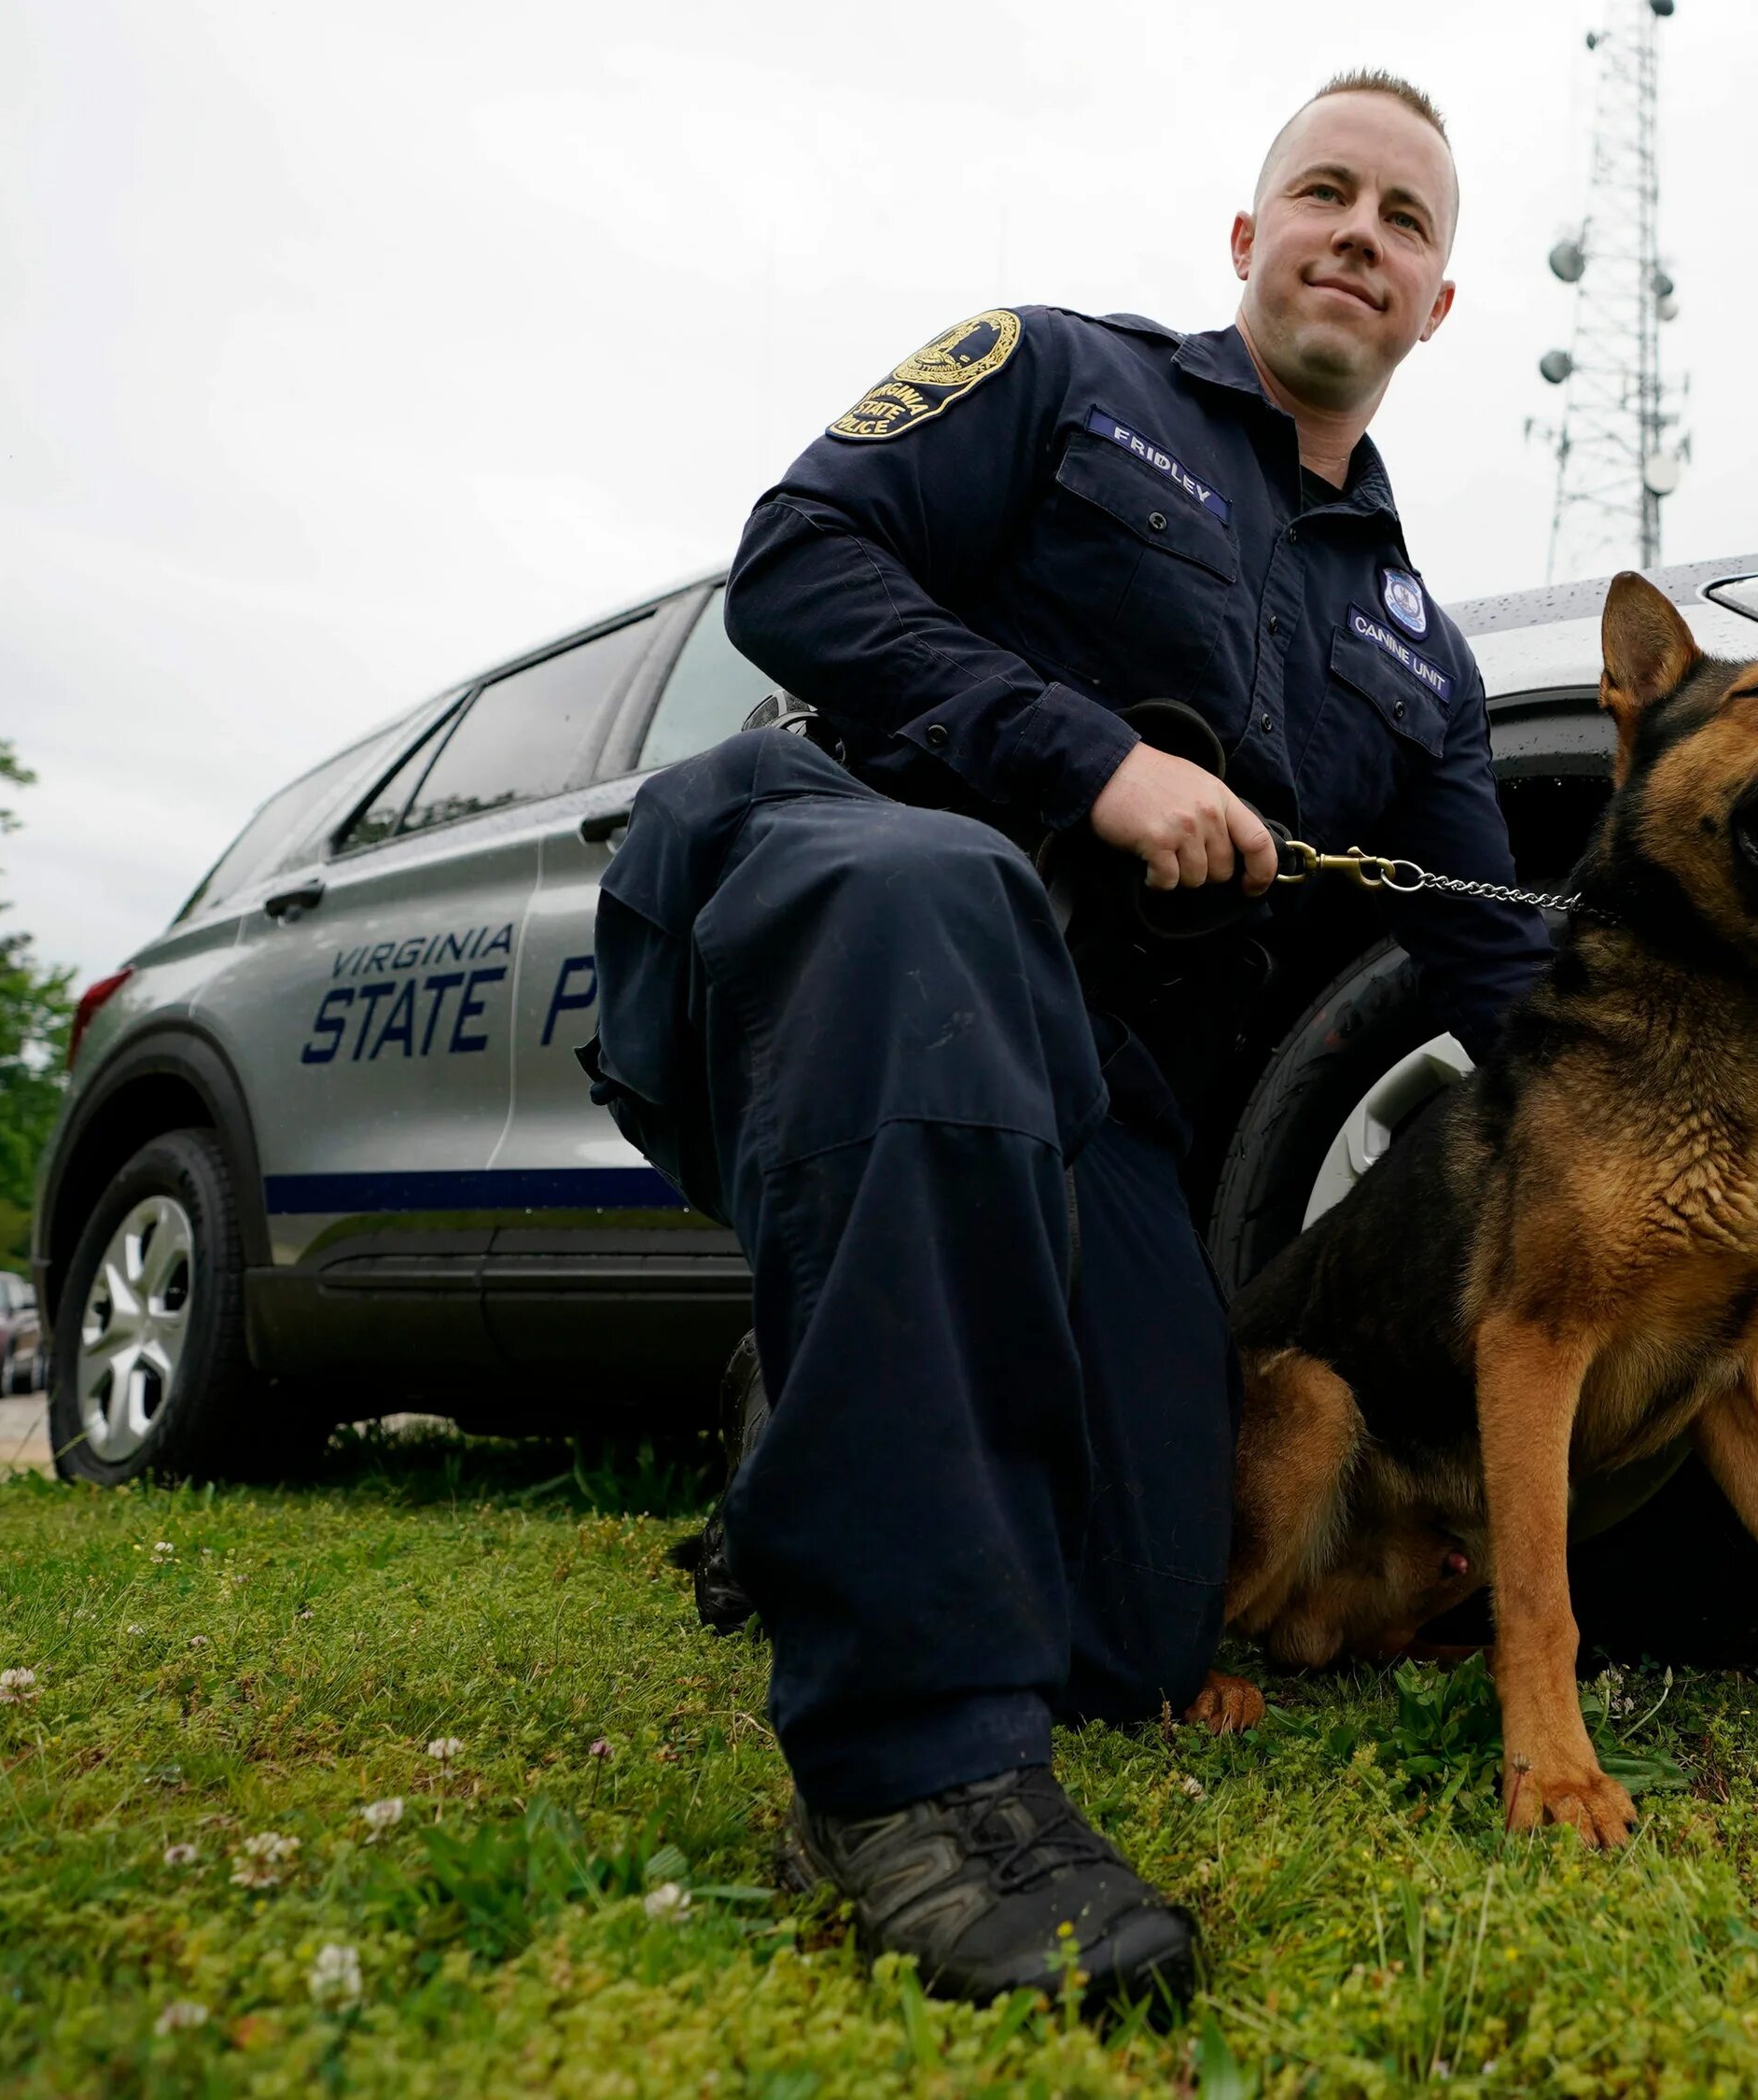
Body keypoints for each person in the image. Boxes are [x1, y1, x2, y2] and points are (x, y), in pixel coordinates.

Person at [585, 72, 1548, 2009]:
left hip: (1082, 1099)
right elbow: (793, 561)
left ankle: (813, 1418)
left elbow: (1489, 969)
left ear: (1437, 306)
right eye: (1326, 194)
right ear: (1248, 238)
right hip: (838, 896)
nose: (1361, 232)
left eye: (1407, 221)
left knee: (1126, 1626)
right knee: (943, 908)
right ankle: (908, 1776)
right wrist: (1082, 756)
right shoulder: (1054, 374)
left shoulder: (1425, 660)